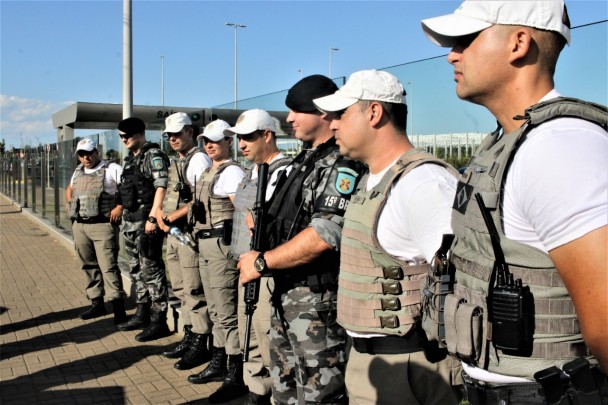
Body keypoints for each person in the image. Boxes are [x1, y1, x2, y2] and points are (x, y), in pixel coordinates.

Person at [421, 1, 608, 403]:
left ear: (519, 43)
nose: (452, 53)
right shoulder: (505, 142)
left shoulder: (560, 147)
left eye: (466, 39)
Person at [312, 69, 461, 404]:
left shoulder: (422, 183)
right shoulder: (371, 181)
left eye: (341, 114)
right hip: (370, 362)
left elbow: (463, 282)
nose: (332, 124)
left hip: (410, 366)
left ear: (374, 113)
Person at [238, 75, 365, 405]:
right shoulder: (306, 158)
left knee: (319, 393)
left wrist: (262, 262)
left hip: (316, 302)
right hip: (288, 294)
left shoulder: (342, 162)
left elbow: (325, 234)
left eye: (296, 111)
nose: (289, 119)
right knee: (285, 390)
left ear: (323, 112)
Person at [225, 109, 292, 405]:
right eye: (239, 138)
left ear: (268, 135)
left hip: (266, 268)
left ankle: (275, 392)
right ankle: (256, 389)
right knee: (248, 330)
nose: (242, 144)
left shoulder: (282, 172)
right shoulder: (251, 171)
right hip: (246, 264)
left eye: (249, 137)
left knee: (266, 334)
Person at [186, 120, 248, 404]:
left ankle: (234, 374)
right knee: (214, 307)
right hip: (205, 242)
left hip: (221, 246)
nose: (209, 145)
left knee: (225, 310)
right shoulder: (209, 170)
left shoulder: (231, 171)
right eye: (205, 141)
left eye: (215, 141)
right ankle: (219, 361)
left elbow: (243, 214)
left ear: (228, 142)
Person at [157, 112, 213, 370]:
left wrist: (170, 217)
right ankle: (190, 335)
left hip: (188, 234)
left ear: (191, 132)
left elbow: (200, 200)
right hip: (174, 232)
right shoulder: (178, 160)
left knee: (193, 290)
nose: (173, 139)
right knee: (180, 288)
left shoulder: (198, 159)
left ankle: (200, 342)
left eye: (178, 134)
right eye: (169, 135)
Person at [116, 117, 172, 342]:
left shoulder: (153, 155)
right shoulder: (131, 159)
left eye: (126, 136)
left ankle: (159, 320)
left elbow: (162, 186)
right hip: (130, 224)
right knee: (136, 270)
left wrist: (153, 215)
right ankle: (142, 312)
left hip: (146, 224)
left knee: (152, 270)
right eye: (121, 136)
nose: (124, 140)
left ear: (140, 133)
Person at [66, 138, 128, 324]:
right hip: (80, 225)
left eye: (89, 153)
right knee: (88, 265)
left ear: (96, 152)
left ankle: (118, 308)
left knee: (108, 266)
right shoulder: (78, 171)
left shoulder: (112, 169)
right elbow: (70, 188)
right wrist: (69, 202)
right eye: (82, 154)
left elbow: (127, 189)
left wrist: (119, 207)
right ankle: (97, 303)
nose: (86, 157)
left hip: (103, 225)